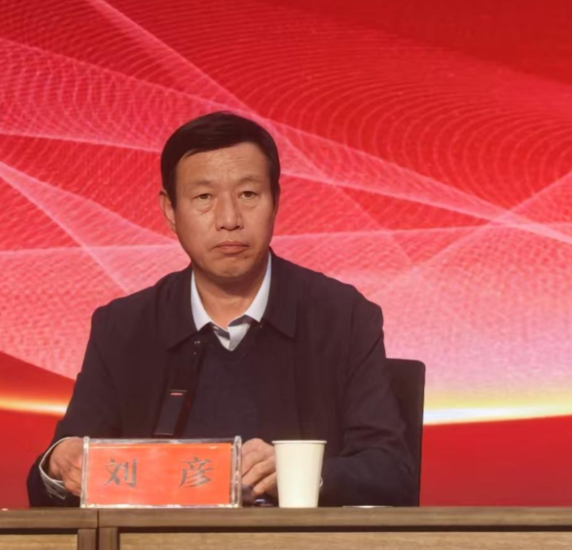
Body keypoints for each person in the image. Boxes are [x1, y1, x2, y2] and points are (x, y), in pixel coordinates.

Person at [27, 112, 415, 507]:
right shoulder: (124, 328)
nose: (229, 220)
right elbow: (58, 473)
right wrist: (58, 464)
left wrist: (297, 472)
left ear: (276, 202)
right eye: (204, 198)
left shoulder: (343, 317)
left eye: (248, 194)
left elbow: (391, 472)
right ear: (170, 210)